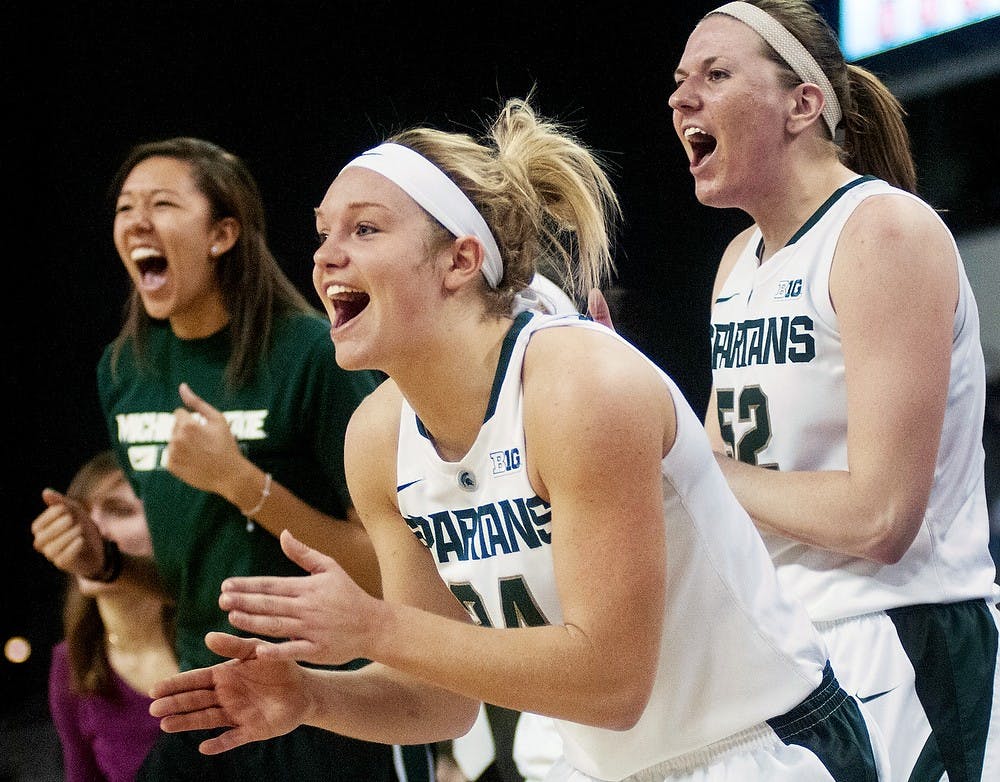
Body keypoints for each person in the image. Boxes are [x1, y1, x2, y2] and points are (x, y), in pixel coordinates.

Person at [146, 96, 889, 782]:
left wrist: (374, 625)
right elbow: (441, 701)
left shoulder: (579, 385)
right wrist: (310, 697)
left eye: (365, 229)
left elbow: (611, 680)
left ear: (460, 261)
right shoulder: (376, 437)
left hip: (760, 748)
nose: (325, 256)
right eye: (323, 234)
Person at [665, 2, 1000, 780]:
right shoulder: (739, 262)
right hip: (788, 644)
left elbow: (881, 517)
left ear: (803, 104)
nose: (682, 99)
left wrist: (693, 466)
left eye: (715, 75)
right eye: (681, 81)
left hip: (904, 638)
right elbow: (712, 480)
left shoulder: (883, 233)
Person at [31, 136, 433, 781]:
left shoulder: (315, 355)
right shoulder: (123, 371)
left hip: (337, 698)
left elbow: (393, 573)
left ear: (222, 234)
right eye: (125, 207)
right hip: (211, 693)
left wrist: (240, 482)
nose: (136, 221)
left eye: (162, 204)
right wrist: (105, 562)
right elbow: (196, 575)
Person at [34, 450, 178, 782]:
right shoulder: (71, 661)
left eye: (119, 510)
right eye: (78, 514)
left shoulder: (213, 639)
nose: (89, 530)